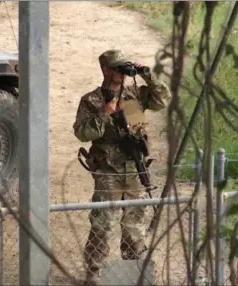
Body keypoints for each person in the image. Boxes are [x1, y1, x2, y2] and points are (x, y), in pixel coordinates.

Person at [72, 49, 171, 285]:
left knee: (134, 224)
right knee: (103, 223)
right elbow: (82, 133)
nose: (121, 73)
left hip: (135, 167)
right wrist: (104, 115)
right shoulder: (92, 100)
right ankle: (94, 272)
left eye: (123, 68)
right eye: (117, 68)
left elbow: (162, 100)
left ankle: (132, 269)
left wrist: (147, 75)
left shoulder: (134, 93)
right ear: (105, 69)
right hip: (109, 170)